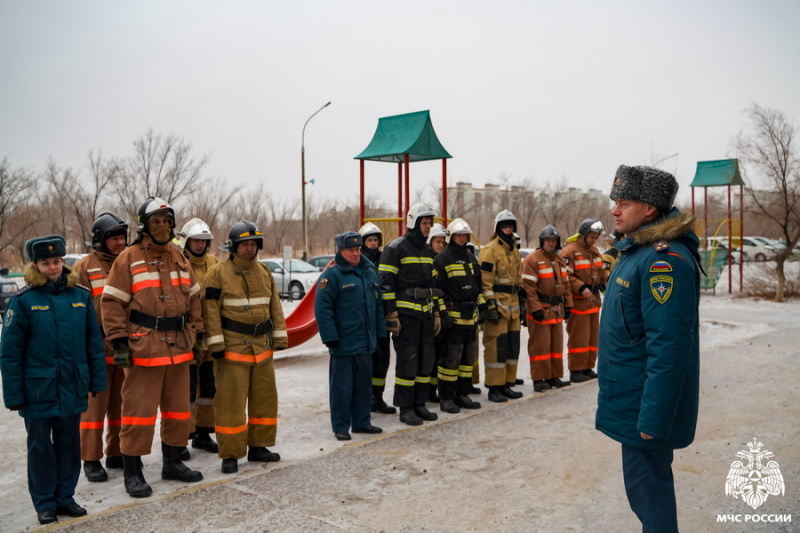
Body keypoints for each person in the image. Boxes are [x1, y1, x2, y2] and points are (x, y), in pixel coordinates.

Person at [596, 165, 701, 533]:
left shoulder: (662, 261)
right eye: (615, 202)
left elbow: (670, 348)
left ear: (651, 209)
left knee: (650, 495)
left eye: (623, 203)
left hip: (644, 411)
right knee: (644, 493)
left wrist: (654, 421)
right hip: (631, 402)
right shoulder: (636, 252)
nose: (614, 210)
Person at [102, 197, 204, 498]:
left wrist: (197, 336)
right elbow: (112, 302)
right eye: (156, 221)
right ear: (144, 225)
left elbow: (194, 299)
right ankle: (133, 472)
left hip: (180, 347)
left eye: (166, 220)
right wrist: (118, 341)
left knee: (178, 412)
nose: (162, 226)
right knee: (138, 415)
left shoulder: (180, 257)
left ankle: (173, 462)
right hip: (144, 349)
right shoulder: (128, 258)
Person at [1, 235, 106, 525]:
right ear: (35, 265)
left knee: (69, 444)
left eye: (57, 261)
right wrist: (13, 394)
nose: (53, 267)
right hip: (38, 389)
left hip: (72, 385)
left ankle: (65, 498)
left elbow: (93, 345)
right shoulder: (23, 302)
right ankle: (45, 502)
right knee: (40, 447)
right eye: (46, 263)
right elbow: (10, 354)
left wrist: (96, 381)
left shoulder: (81, 297)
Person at [202, 220, 287, 474]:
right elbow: (210, 311)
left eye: (253, 244)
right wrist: (216, 344)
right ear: (234, 247)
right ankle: (231, 453)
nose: (249, 249)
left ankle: (259, 445)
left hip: (262, 348)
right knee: (230, 404)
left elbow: (275, 307)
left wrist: (280, 337)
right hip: (232, 349)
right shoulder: (217, 274)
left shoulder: (264, 272)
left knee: (265, 400)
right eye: (244, 245)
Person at [315, 231, 386, 440]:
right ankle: (341, 426)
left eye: (357, 249)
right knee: (341, 388)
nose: (356, 253)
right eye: (351, 250)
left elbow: (377, 306)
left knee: (363, 386)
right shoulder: (331, 276)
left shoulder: (369, 271)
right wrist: (330, 337)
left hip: (365, 342)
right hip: (343, 343)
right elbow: (323, 309)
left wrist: (380, 334)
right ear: (340, 251)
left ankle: (362, 422)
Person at [73, 213, 128, 483]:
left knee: (120, 404)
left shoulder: (129, 262)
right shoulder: (84, 267)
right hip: (95, 348)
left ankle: (116, 452)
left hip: (124, 347)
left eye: (122, 237)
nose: (120, 243)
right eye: (114, 238)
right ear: (100, 240)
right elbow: (75, 312)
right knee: (94, 409)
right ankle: (91, 459)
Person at [379, 203, 441, 426]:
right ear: (413, 223)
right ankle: (405, 408)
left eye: (430, 223)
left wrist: (435, 314)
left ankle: (419, 404)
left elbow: (431, 284)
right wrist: (392, 315)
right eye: (424, 223)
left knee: (426, 361)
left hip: (424, 315)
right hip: (405, 317)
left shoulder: (426, 251)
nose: (428, 227)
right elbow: (385, 285)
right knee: (408, 361)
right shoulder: (396, 249)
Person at [177, 218, 219, 455]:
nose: (200, 245)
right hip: (187, 335)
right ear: (186, 241)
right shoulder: (179, 263)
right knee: (187, 389)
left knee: (208, 387)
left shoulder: (214, 263)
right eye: (196, 241)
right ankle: (182, 437)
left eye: (204, 241)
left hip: (210, 335)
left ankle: (203, 433)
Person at [432, 218, 483, 413]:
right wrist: (442, 313)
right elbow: (438, 290)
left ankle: (462, 394)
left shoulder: (471, 258)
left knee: (467, 359)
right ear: (451, 237)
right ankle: (446, 397)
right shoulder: (442, 259)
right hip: (452, 318)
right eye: (459, 235)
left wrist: (484, 307)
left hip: (471, 317)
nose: (462, 239)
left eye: (465, 235)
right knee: (449, 360)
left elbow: (478, 285)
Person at [477, 210, 524, 403]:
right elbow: (484, 282)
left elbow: (518, 280)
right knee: (496, 347)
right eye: (504, 225)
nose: (508, 228)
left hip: (513, 306)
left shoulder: (514, 250)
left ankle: (506, 384)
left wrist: (523, 303)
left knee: (512, 347)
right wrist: (489, 307)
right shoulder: (489, 250)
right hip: (497, 306)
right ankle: (494, 387)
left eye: (511, 225)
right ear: (498, 227)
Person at [522, 226, 573, 392]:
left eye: (553, 240)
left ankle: (553, 376)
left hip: (556, 310)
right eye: (548, 240)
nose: (551, 243)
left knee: (555, 346)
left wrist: (568, 305)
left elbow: (566, 285)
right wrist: (534, 308)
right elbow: (528, 288)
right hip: (541, 310)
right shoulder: (532, 260)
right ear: (542, 241)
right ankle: (538, 379)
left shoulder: (558, 260)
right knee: (540, 347)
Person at [561, 218, 608, 383]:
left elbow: (602, 271)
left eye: (596, 237)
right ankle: (576, 370)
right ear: (584, 234)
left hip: (593, 302)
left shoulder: (594, 251)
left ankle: (587, 367)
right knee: (578, 338)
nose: (594, 240)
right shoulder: (570, 251)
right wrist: (580, 287)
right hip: (578, 302)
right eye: (592, 236)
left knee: (591, 338)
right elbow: (565, 275)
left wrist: (610, 282)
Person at [358, 222, 395, 415]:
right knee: (367, 361)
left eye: (375, 240)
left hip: (382, 318)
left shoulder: (384, 259)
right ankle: (365, 399)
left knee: (382, 359)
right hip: (365, 320)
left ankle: (377, 398)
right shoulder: (358, 261)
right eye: (369, 240)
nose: (373, 243)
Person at [426, 222, 448, 403]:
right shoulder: (428, 261)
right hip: (430, 313)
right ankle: (428, 391)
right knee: (430, 355)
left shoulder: (444, 260)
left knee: (440, 354)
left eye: (443, 242)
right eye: (437, 242)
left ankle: (434, 389)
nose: (440, 245)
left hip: (443, 313)